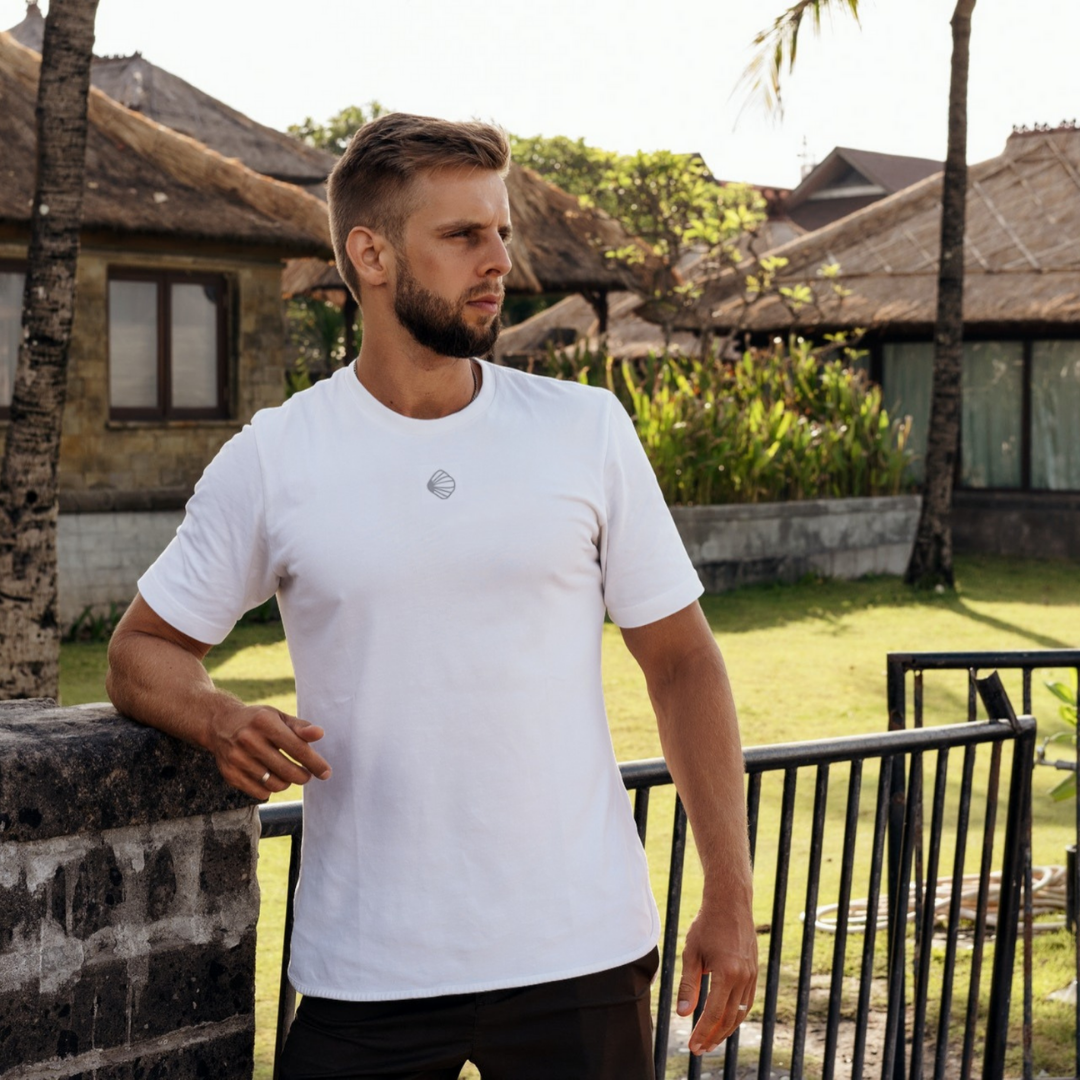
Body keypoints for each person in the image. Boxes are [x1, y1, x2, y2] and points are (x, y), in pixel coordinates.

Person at [107, 112, 757, 1080]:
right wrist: (218, 717)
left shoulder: (586, 432)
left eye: (500, 231)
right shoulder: (279, 458)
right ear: (369, 253)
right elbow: (137, 652)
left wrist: (730, 896)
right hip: (365, 970)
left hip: (579, 953)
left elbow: (682, 660)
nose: (498, 259)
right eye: (462, 236)